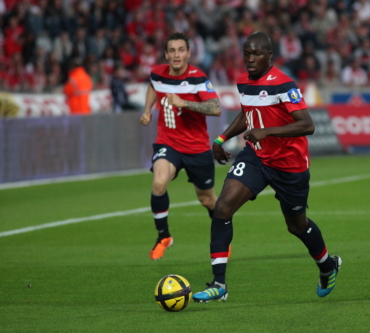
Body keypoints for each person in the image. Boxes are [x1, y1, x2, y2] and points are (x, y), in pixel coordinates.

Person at [192, 32, 341, 302]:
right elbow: (247, 112)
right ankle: (219, 285)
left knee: (297, 226)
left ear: (269, 55)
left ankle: (328, 266)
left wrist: (267, 131)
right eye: (247, 53)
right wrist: (221, 138)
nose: (250, 59)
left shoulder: (284, 84)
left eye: (257, 54)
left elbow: (308, 124)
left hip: (290, 166)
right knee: (222, 208)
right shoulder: (243, 81)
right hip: (257, 158)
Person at [140, 32, 222, 260]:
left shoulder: (198, 79)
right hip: (168, 142)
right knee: (158, 182)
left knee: (207, 199)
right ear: (166, 54)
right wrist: (147, 110)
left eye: (181, 50)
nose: (177, 55)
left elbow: (216, 108)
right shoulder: (157, 73)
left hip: (197, 148)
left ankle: (221, 238)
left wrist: (185, 102)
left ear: (188, 53)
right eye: (172, 50)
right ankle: (163, 236)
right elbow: (152, 86)